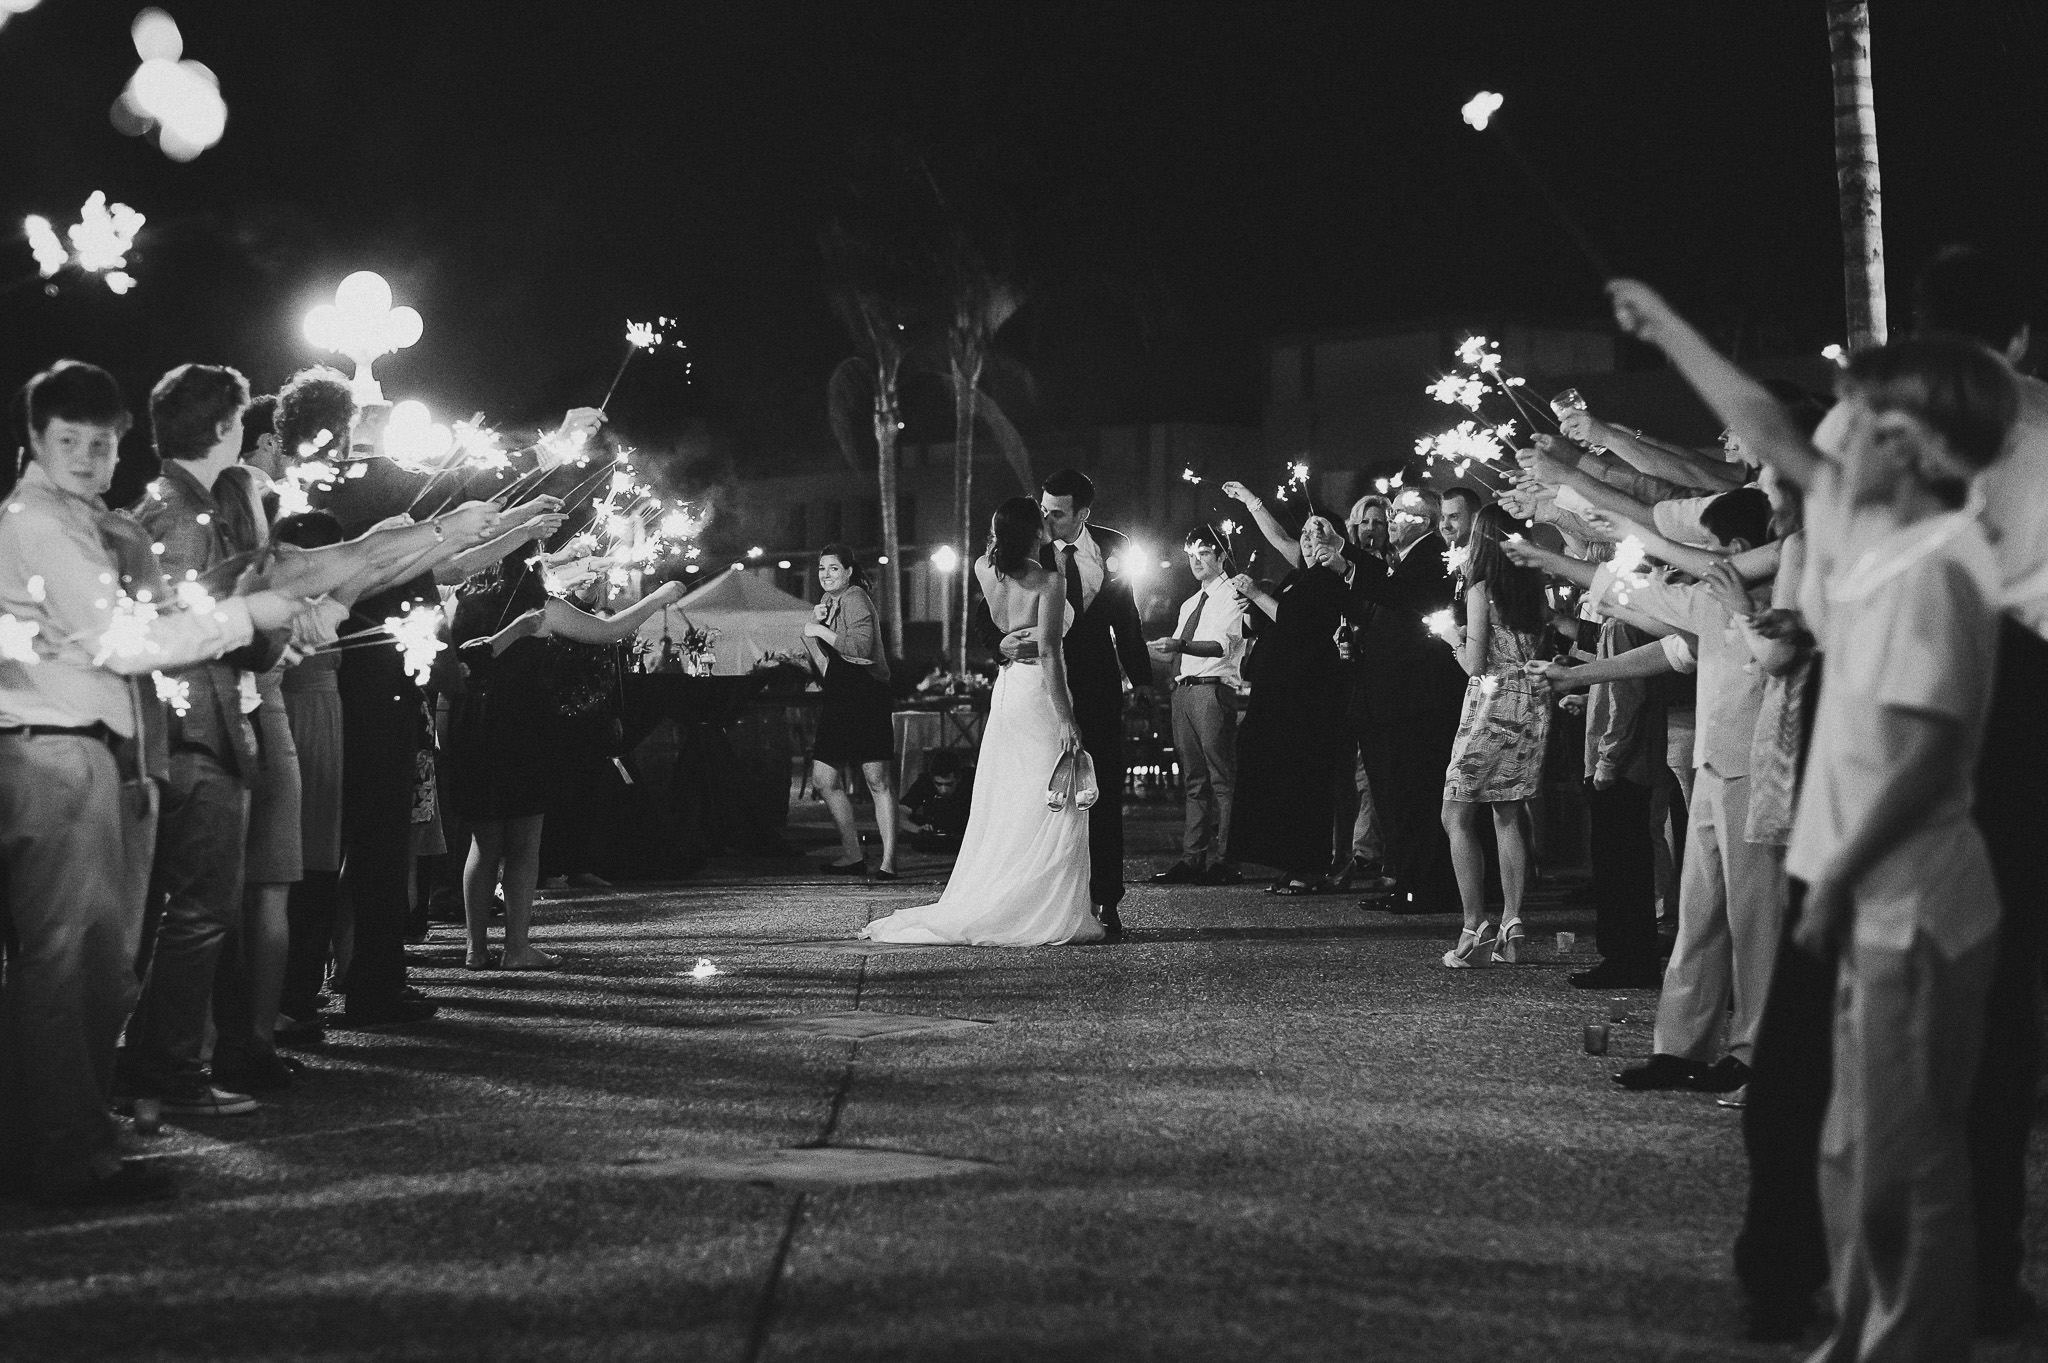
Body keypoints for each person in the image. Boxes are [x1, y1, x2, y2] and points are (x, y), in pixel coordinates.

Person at [1611, 277, 2019, 1361]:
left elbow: (1933, 755)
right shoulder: (1863, 521)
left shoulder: (1941, 566)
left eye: (1872, 419)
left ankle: (1905, 1339)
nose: (1842, 432)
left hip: (1910, 897)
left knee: (1906, 1154)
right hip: (1853, 880)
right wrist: (1667, 324)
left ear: (1926, 449)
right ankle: (1854, 1328)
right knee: (1847, 1144)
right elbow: (1765, 429)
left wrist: (1834, 875)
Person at [0, 360, 304, 1204]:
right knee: (72, 963)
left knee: (87, 964)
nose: (91, 459)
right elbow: (122, 643)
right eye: (71, 442)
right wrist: (247, 616)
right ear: (34, 439)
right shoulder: (41, 525)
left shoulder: (77, 521)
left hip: (83, 750)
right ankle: (63, 1155)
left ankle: (61, 1141)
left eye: (102, 444)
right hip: (55, 752)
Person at [123, 363, 288, 1118]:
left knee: (173, 913)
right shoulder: (184, 520)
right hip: (195, 734)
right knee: (199, 912)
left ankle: (152, 1066)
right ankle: (171, 1072)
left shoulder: (162, 505)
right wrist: (266, 624)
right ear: (225, 427)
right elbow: (185, 638)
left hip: (179, 737)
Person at [863, 497, 1103, 946]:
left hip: (1007, 691)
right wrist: (1067, 718)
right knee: (1053, 797)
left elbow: (1000, 621)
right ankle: (1041, 910)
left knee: (1009, 797)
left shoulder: (982, 569)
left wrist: (1007, 639)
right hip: (1039, 695)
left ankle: (1003, 893)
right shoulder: (1049, 583)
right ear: (1034, 531)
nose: (1050, 522)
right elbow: (1050, 653)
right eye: (1043, 518)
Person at [450, 550, 680, 970]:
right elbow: (609, 631)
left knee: (482, 844)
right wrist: (658, 598)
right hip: (523, 727)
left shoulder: (459, 602)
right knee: (524, 844)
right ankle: (517, 949)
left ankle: (475, 949)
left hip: (473, 725)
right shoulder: (541, 608)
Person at [971, 469, 1151, 940]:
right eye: (1044, 509)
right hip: (1042, 684)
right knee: (1044, 795)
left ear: (1083, 514)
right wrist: (1001, 647)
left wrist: (1144, 679)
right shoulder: (1024, 551)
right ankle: (1039, 897)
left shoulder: (1112, 547)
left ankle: (1105, 899)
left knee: (1102, 791)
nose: (1047, 518)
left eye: (1057, 512)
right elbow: (985, 622)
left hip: (1097, 684)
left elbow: (1126, 619)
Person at [1217, 483, 1351, 894]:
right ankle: (1285, 859)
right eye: (1306, 533)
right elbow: (1278, 542)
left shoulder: (1329, 581)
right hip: (1276, 692)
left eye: (1319, 531)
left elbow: (1295, 623)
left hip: (1306, 697)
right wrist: (1250, 501)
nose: (1309, 538)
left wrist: (1257, 593)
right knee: (1272, 774)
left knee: (1303, 778)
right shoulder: (1297, 574)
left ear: (1338, 542)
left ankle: (1308, 864)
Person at [1437, 502, 1552, 966]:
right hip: (1532, 703)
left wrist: (1453, 639)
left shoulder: (1480, 589)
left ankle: (1473, 925)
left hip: (1490, 705)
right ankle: (1512, 919)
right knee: (1508, 811)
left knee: (1456, 814)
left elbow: (1475, 664)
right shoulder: (1535, 590)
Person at [1342, 486, 1465, 913]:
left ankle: (1423, 884)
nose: (1390, 518)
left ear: (1426, 523)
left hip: (1416, 702)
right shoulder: (1404, 562)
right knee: (1397, 796)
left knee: (1415, 794)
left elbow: (1400, 595)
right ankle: (1407, 879)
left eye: (1400, 512)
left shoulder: (1431, 557)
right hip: (1392, 700)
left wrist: (1346, 557)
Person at [1147, 525, 1248, 886]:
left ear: (1221, 556)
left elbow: (1220, 645)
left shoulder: (1233, 594)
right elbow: (1178, 649)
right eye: (1191, 554)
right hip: (1185, 690)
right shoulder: (1191, 602)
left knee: (1222, 778)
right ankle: (1192, 858)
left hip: (1212, 689)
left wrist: (1178, 647)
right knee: (1193, 780)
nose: (1196, 560)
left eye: (1204, 553)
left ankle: (1227, 859)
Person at [802, 543, 900, 880]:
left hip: (866, 692)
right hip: (840, 692)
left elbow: (859, 648)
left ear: (848, 572)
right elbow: (825, 656)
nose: (825, 575)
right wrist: (810, 628)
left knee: (877, 780)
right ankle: (852, 855)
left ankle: (888, 861)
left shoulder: (856, 597)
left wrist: (818, 630)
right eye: (821, 569)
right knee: (824, 778)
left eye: (832, 568)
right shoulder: (829, 604)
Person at [901, 749, 975, 854]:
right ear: (932, 779)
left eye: (949, 784)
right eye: (938, 784)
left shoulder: (972, 780)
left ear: (959, 779)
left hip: (967, 835)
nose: (943, 790)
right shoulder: (924, 782)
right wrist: (918, 830)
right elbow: (900, 812)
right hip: (934, 834)